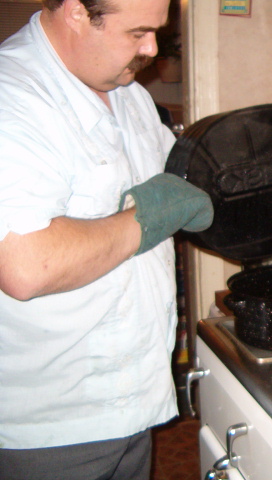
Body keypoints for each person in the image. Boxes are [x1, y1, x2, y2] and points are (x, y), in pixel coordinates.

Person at [0, 0, 213, 478]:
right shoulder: (12, 96)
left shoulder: (128, 95)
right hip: (51, 429)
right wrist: (149, 218)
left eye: (156, 31)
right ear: (76, 11)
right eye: (137, 32)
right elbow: (24, 263)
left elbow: (181, 179)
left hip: (132, 405)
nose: (152, 48)